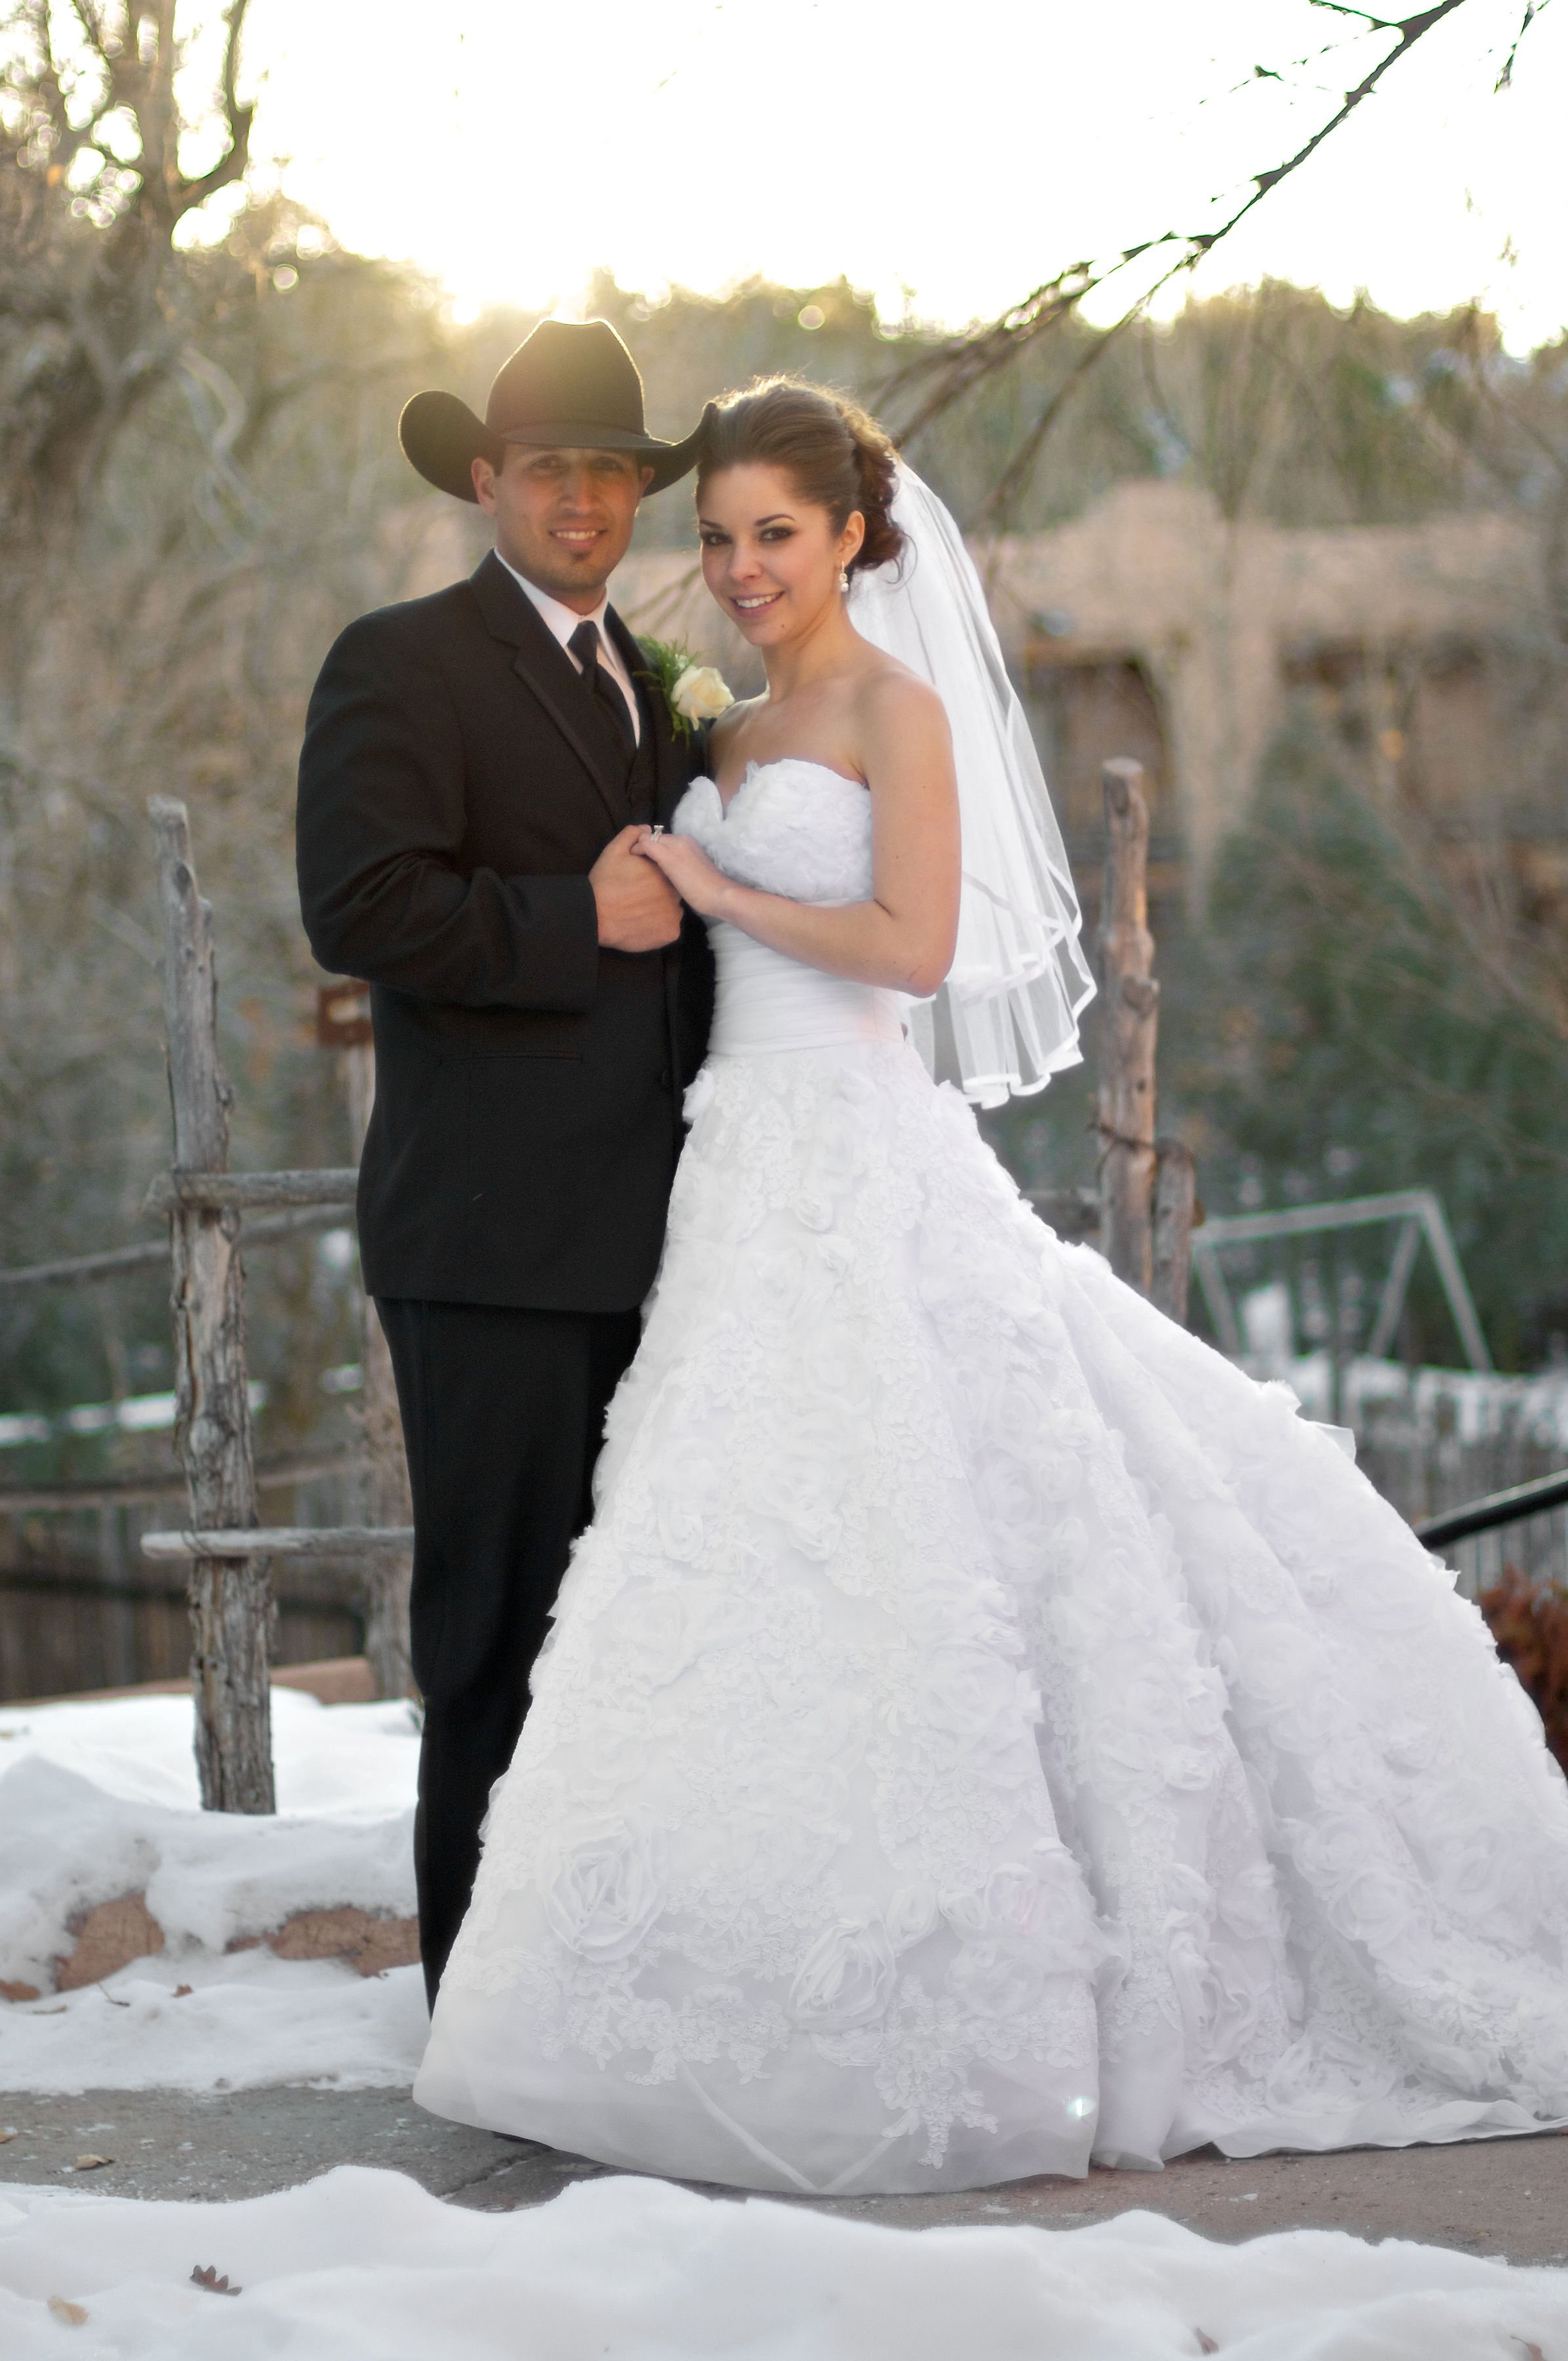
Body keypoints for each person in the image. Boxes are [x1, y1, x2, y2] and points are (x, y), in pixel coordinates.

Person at [413, 378, 1568, 2197]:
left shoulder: (897, 709)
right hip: (736, 1168)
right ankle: (690, 1965)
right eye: (715, 540)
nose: (739, 569)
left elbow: (913, 947)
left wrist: (720, 890)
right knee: (733, 1553)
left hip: (858, 1139)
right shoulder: (719, 722)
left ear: (854, 534)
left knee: (921, 1534)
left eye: (774, 536)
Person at [294, 319, 714, 2000]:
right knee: (492, 1636)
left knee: (634, 1635)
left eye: (612, 472)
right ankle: (485, 2011)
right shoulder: (399, 660)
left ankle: (610, 1982)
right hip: (491, 1247)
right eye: (552, 470)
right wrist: (573, 917)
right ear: (487, 478)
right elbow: (360, 905)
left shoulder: (659, 680)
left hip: (672, 1241)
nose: (585, 500)